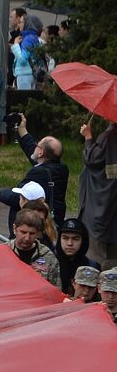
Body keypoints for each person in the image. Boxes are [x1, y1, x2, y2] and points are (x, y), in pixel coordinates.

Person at [79, 119, 117, 268]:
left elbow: (92, 159)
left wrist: (88, 137)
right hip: (113, 200)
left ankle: (97, 286)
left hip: (101, 201)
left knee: (96, 252)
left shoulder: (109, 135)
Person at [6, 208, 62, 287]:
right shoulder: (3, 252)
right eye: (23, 232)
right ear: (14, 229)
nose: (27, 238)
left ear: (37, 233)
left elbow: (55, 290)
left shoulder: (48, 256)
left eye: (32, 233)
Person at [55, 218, 97, 295]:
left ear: (83, 241)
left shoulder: (92, 267)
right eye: (65, 238)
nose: (70, 243)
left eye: (75, 239)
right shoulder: (51, 264)